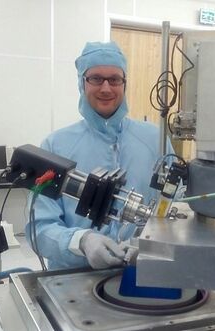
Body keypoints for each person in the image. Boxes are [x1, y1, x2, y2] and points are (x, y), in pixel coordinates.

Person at [26, 41, 166, 270]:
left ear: (124, 83)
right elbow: (38, 228)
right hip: (74, 280)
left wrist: (155, 245)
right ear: (82, 82)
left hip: (142, 273)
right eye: (96, 78)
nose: (106, 88)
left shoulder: (155, 141)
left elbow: (177, 207)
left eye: (114, 79)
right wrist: (82, 241)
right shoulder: (55, 145)